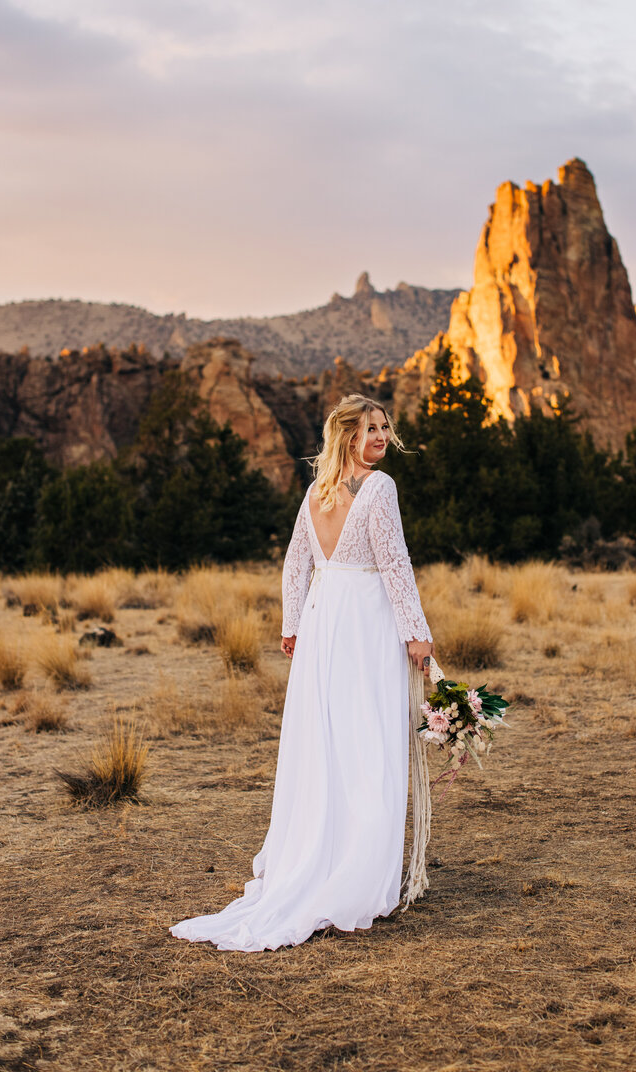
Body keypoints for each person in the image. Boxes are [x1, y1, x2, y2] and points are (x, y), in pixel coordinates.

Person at [169, 393, 435, 952]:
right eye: (370, 429)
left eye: (385, 427)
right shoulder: (379, 489)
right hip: (363, 622)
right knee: (367, 740)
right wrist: (416, 632)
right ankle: (358, 871)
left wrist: (293, 624)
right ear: (347, 436)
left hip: (322, 623)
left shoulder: (317, 493)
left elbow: (297, 563)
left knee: (327, 739)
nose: (382, 437)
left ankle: (322, 853)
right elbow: (394, 563)